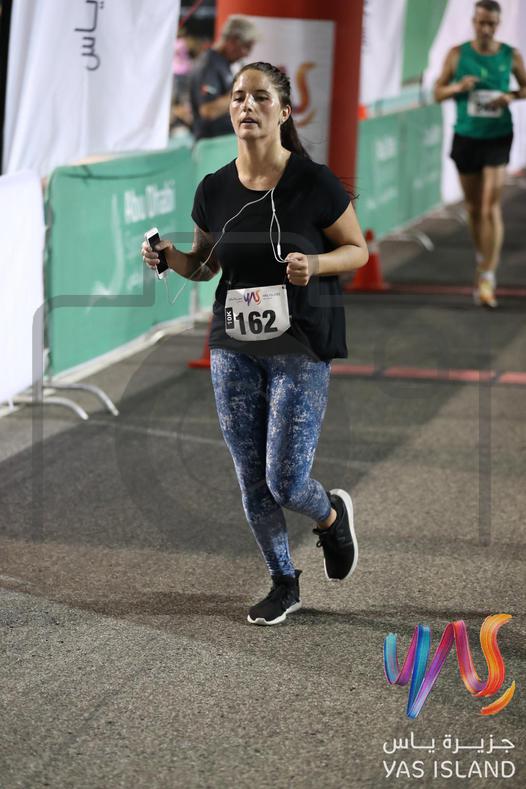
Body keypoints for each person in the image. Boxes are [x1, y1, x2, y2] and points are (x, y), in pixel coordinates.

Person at [141, 61, 368, 626]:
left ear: (283, 111)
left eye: (260, 97)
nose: (247, 105)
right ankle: (283, 581)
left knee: (285, 480)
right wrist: (168, 257)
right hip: (233, 344)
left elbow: (357, 249)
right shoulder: (213, 189)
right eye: (239, 96)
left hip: (300, 342)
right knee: (251, 477)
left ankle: (330, 516)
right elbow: (204, 266)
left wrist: (316, 264)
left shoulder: (313, 183)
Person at [434, 0, 526, 308]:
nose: (485, 29)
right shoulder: (457, 54)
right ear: (473, 22)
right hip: (467, 137)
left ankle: (488, 275)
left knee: (490, 207)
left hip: (497, 136)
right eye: (481, 22)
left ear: (498, 25)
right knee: (474, 209)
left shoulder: (510, 55)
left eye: (491, 24)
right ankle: (481, 257)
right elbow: (437, 92)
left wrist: (510, 96)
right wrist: (458, 87)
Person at [189, 15, 259, 140]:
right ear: (232, 41)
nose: (247, 54)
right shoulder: (209, 64)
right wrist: (244, 91)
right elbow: (208, 111)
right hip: (212, 143)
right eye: (246, 47)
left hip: (221, 141)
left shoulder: (222, 64)